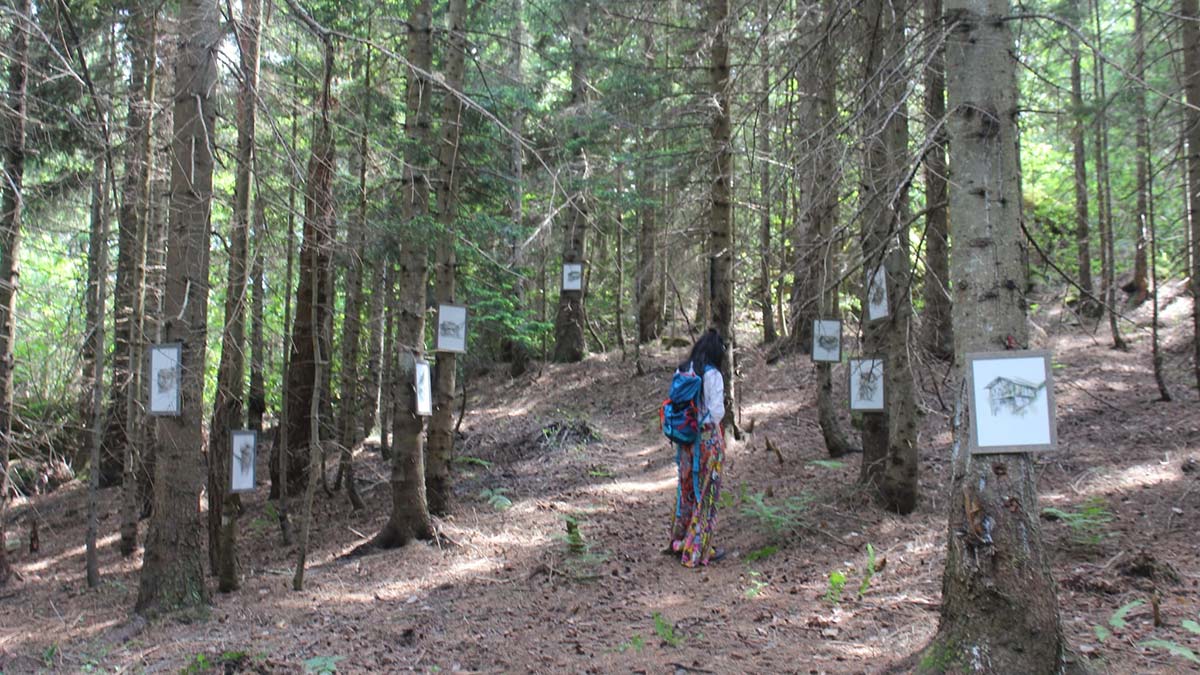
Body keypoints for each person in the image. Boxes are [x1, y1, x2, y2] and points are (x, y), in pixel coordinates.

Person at [669, 328, 727, 567]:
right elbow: (717, 411)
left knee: (686, 492)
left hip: (685, 442)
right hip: (707, 442)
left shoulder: (683, 370)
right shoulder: (713, 375)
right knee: (707, 494)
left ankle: (679, 540)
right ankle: (698, 547)